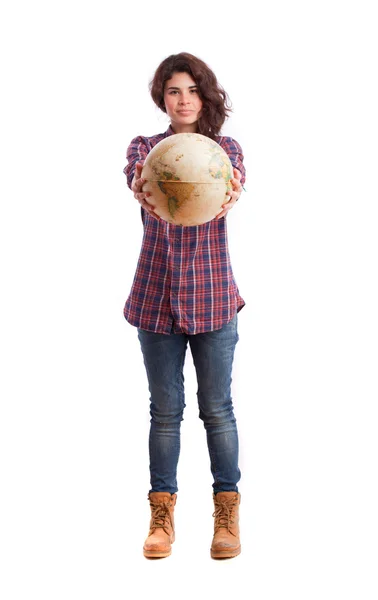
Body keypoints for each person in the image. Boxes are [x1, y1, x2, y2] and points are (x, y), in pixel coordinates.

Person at [123, 52, 246, 559]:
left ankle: (226, 516)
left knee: (217, 411)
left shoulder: (226, 152)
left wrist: (226, 186)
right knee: (165, 413)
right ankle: (161, 517)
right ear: (163, 98)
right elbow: (137, 181)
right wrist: (143, 184)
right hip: (156, 299)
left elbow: (232, 186)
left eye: (192, 90)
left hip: (214, 297)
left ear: (205, 96)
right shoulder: (144, 150)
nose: (184, 100)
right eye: (174, 91)